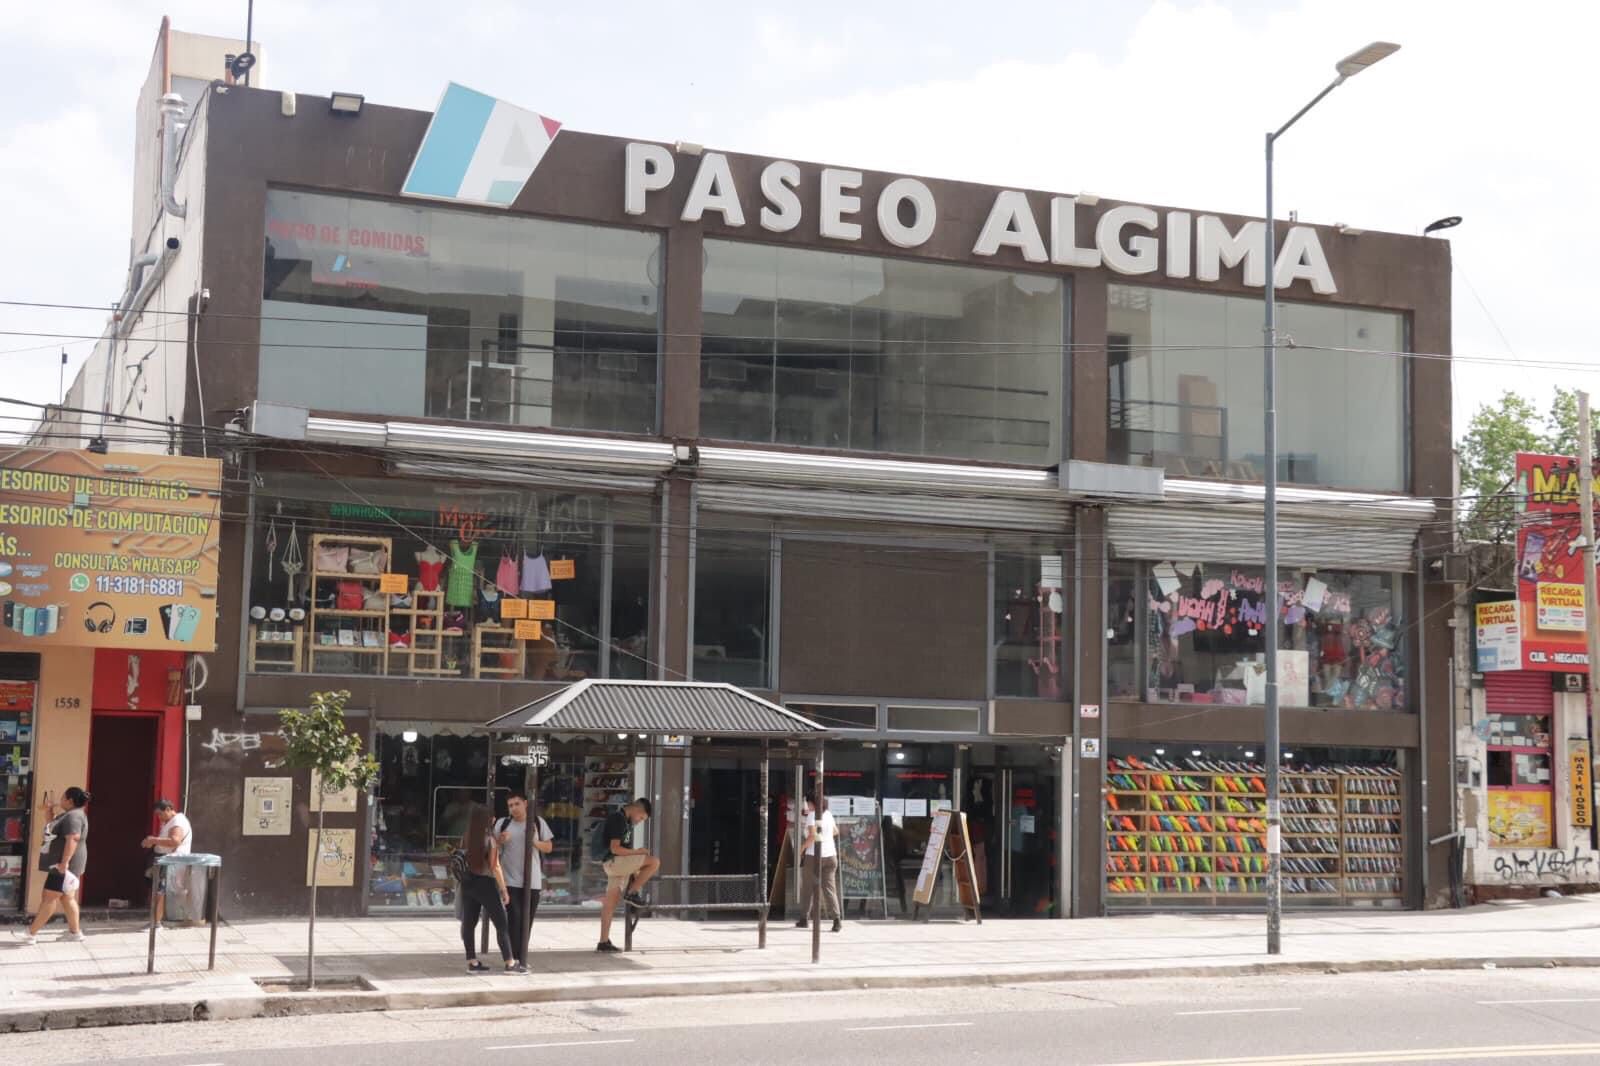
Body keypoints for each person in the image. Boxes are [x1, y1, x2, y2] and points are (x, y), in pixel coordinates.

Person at [14, 787, 90, 945]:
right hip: (66, 864)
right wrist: (49, 809)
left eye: (62, 797)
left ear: (69, 801)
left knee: (49, 897)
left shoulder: (73, 817)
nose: (60, 800)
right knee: (67, 897)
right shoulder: (69, 814)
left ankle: (31, 933)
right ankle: (75, 933)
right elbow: (51, 824)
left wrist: (65, 862)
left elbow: (73, 838)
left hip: (63, 865)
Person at [458, 803, 521, 974]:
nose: (494, 819)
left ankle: (472, 962)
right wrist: (504, 890)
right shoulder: (490, 840)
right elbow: (495, 867)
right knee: (501, 923)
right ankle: (510, 963)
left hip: (467, 882)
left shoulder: (466, 837)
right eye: (492, 817)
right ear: (489, 820)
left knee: (469, 922)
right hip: (486, 884)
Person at [496, 791, 553, 969]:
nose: (513, 808)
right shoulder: (502, 823)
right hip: (509, 880)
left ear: (526, 804)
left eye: (517, 804)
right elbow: (492, 847)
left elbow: (549, 847)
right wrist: (500, 840)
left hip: (532, 881)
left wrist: (534, 841)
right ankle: (513, 958)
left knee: (527, 921)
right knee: (514, 919)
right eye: (510, 805)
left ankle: (522, 957)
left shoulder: (537, 822)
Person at [596, 797, 658, 954]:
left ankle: (603, 942)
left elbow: (622, 851)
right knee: (654, 862)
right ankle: (632, 893)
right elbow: (615, 848)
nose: (639, 821)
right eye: (641, 818)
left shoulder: (625, 821)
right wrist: (637, 852)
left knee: (610, 903)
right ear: (638, 810)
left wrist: (635, 864)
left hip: (614, 864)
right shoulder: (618, 819)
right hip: (615, 862)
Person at [141, 799, 192, 927]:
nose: (159, 817)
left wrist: (154, 840)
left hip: (171, 862)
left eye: (160, 814)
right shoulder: (170, 822)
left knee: (160, 891)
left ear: (168, 809)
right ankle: (156, 921)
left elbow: (175, 841)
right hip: (166, 861)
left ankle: (156, 923)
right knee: (159, 891)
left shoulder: (178, 821)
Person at [796, 796, 841, 933]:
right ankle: (837, 920)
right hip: (831, 855)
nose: (807, 806)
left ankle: (804, 919)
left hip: (814, 856)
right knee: (829, 889)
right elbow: (836, 831)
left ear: (812, 803)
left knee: (808, 888)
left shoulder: (812, 815)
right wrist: (825, 837)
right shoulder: (828, 814)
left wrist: (801, 849)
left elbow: (812, 836)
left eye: (808, 803)